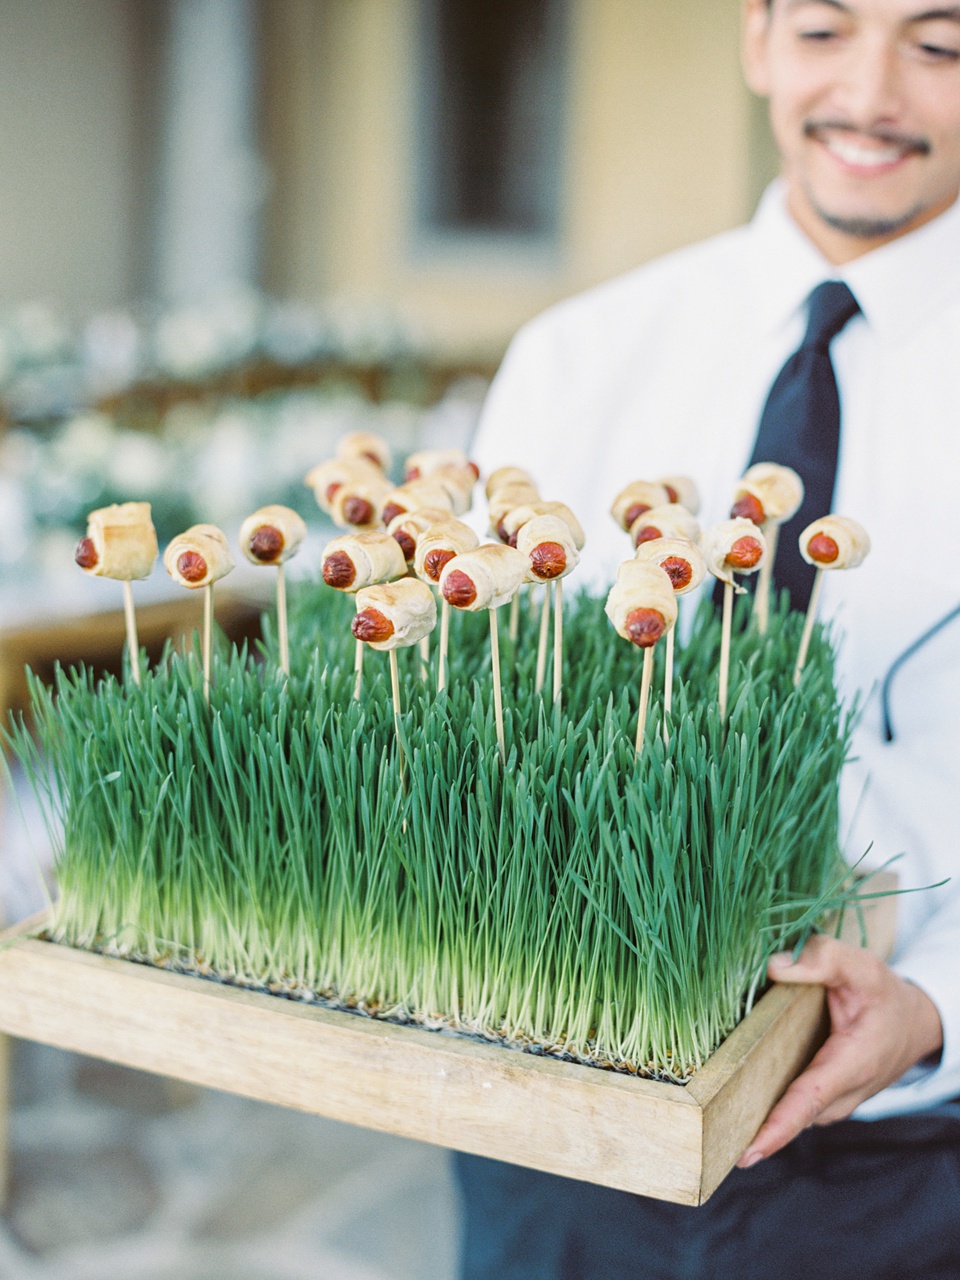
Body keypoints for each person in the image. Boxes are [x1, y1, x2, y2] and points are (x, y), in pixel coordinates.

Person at [456, 0, 960, 1274]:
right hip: (561, 1130)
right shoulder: (580, 356)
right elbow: (478, 716)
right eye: (826, 33)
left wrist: (941, 1008)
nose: (874, 94)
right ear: (757, 42)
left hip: (904, 1165)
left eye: (942, 44)